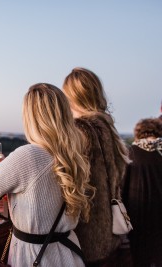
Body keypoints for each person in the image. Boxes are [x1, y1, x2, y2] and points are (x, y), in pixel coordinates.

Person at [0, 83, 94, 266]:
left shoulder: (28, 154)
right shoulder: (71, 153)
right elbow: (36, 178)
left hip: (36, 256)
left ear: (31, 118)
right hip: (68, 252)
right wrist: (7, 166)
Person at [62, 67, 131, 266]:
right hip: (107, 229)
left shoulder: (80, 130)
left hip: (84, 232)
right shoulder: (108, 127)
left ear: (71, 97)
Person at [122, 118, 162, 267]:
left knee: (140, 259)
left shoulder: (130, 153)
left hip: (137, 216)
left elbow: (122, 188)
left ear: (138, 133)